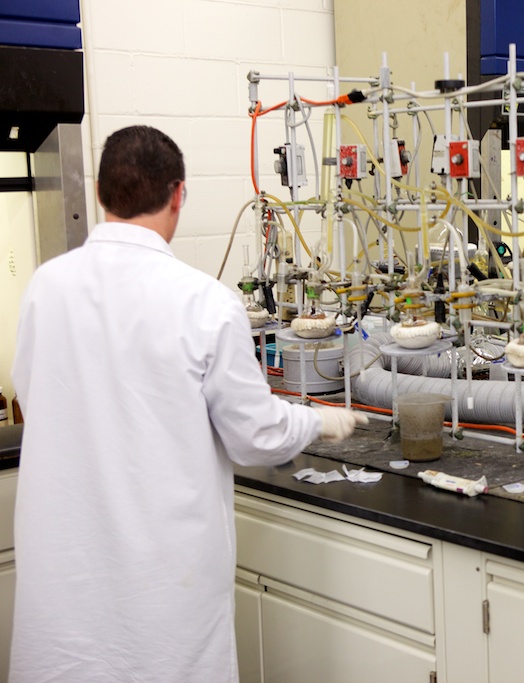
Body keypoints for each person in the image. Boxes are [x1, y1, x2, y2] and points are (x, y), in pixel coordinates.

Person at [9, 125, 366, 682]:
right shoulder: (204, 303)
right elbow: (256, 437)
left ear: (101, 192)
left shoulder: (46, 286)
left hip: (67, 574)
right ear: (178, 194)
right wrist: (318, 420)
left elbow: (35, 393)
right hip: (163, 583)